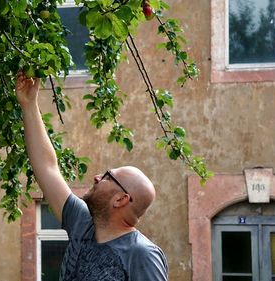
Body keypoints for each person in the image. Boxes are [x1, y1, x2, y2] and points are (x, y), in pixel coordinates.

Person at [15, 71, 168, 281]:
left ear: (121, 199)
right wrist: (29, 104)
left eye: (107, 176)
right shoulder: (81, 224)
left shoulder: (142, 255)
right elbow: (47, 167)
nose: (97, 177)